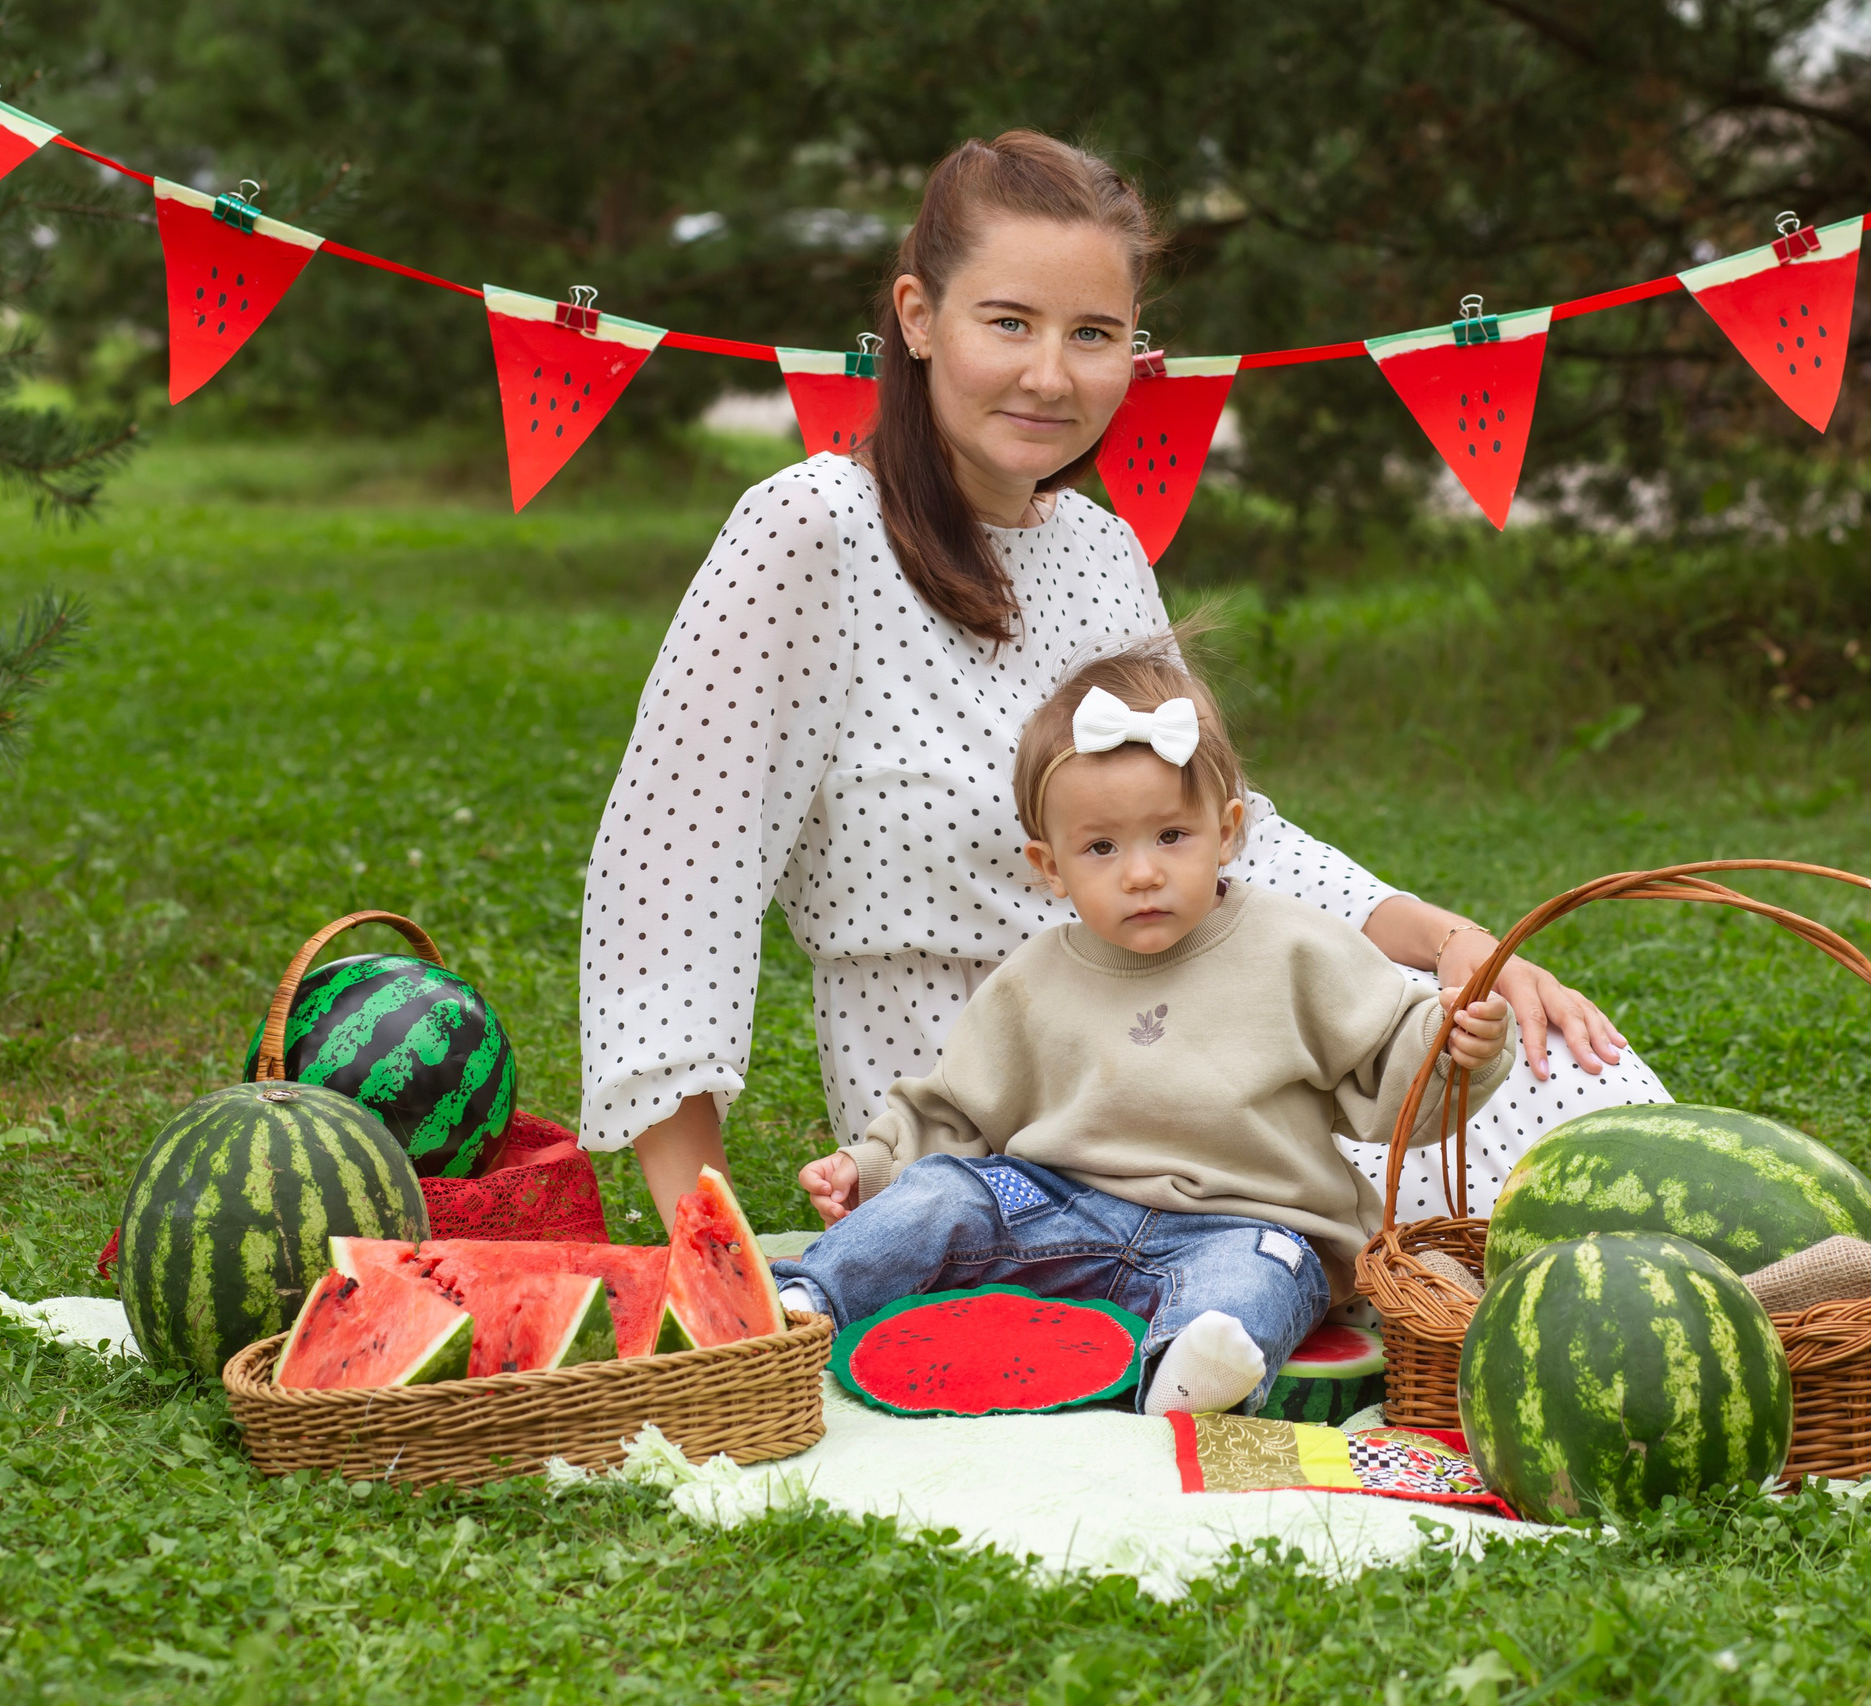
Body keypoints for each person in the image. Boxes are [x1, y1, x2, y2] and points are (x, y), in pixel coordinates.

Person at [578, 129, 1668, 1231]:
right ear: (915, 315)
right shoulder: (809, 531)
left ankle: (1773, 1317)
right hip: (1002, 1113)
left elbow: (1223, 829)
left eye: (1092, 334)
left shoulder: (1100, 549)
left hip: (1207, 1019)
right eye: (1008, 322)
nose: (1050, 376)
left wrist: (1453, 947)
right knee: (1451, 1210)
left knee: (1571, 1089)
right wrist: (699, 1241)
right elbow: (672, 890)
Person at [771, 641, 1516, 1414]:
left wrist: (1460, 1046)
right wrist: (875, 1165)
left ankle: (1194, 1371)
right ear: (1049, 866)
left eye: (1171, 836)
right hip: (1055, 1212)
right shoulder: (1032, 979)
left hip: (1243, 1220)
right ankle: (803, 1305)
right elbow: (955, 1111)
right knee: (942, 1198)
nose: (1141, 873)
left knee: (1261, 1276)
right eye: (1101, 847)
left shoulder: (1298, 948)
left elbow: (1397, 1071)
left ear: (1227, 830)